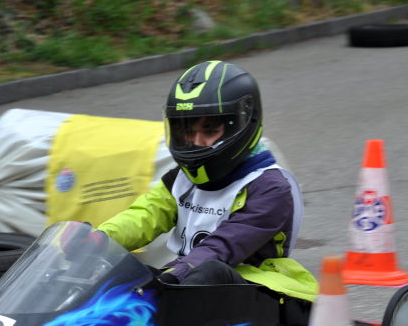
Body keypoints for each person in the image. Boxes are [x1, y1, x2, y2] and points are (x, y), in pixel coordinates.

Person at [96, 60, 317, 299]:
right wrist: (98, 239)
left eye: (210, 130)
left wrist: (172, 275)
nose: (197, 142)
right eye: (188, 132)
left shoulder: (269, 188)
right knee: (117, 275)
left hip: (259, 298)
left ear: (243, 124)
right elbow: (144, 215)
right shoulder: (181, 179)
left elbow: (224, 246)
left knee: (210, 271)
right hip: (191, 287)